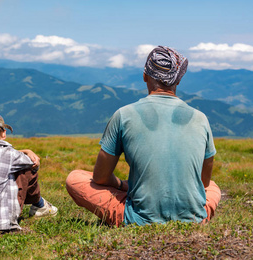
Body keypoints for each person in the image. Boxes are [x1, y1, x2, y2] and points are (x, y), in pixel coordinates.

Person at [66, 46, 221, 227]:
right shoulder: (201, 118)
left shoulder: (123, 115)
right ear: (178, 81)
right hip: (194, 217)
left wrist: (123, 185)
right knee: (213, 187)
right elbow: (203, 183)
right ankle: (197, 217)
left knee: (75, 178)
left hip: (139, 218)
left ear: (145, 76)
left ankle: (131, 215)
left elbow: (100, 177)